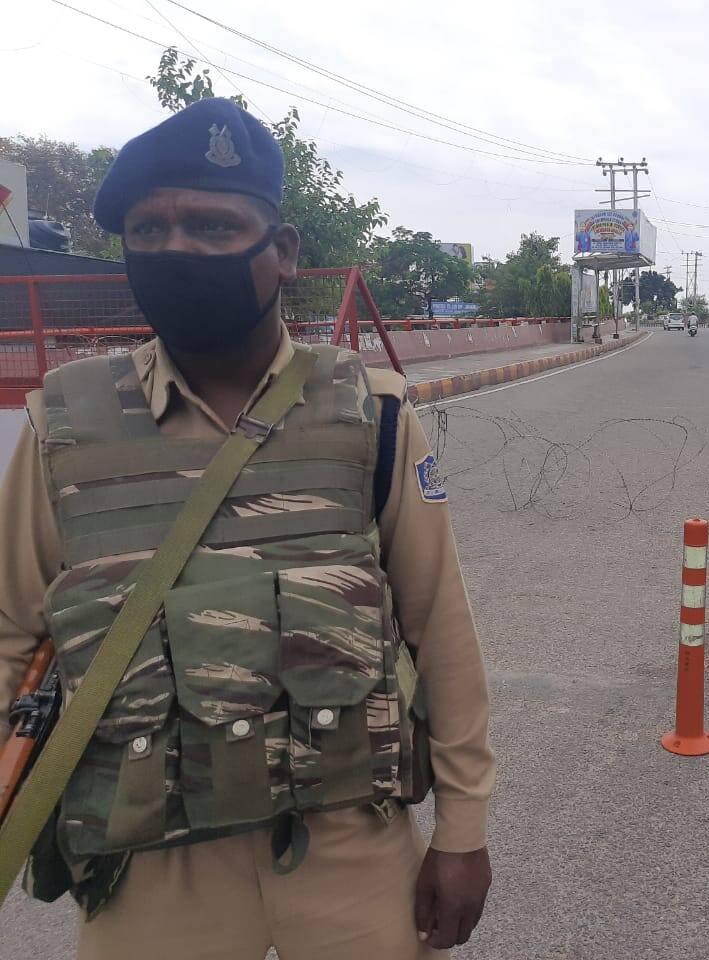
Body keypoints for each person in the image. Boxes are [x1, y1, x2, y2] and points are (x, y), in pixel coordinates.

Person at [0, 98, 494, 959]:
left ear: (283, 252)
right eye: (147, 229)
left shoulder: (370, 417)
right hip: (149, 865)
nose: (176, 248)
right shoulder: (64, 427)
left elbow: (438, 626)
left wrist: (464, 826)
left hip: (347, 842)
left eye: (211, 224)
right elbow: (11, 637)